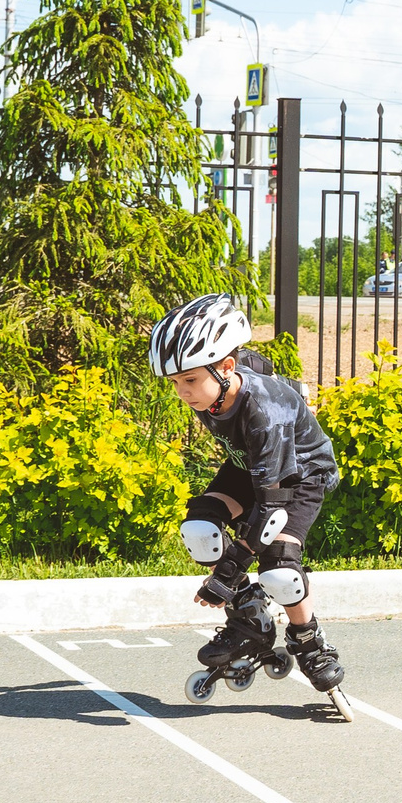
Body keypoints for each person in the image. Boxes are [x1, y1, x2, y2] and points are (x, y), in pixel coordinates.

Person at [148, 295, 348, 697]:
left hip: (301, 476)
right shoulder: (219, 382)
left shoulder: (265, 417)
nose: (183, 393)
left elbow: (271, 509)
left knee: (279, 569)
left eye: (189, 380)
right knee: (201, 530)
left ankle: (308, 640)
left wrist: (226, 576)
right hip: (250, 465)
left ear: (224, 368)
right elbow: (259, 364)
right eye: (174, 383)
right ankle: (251, 618)